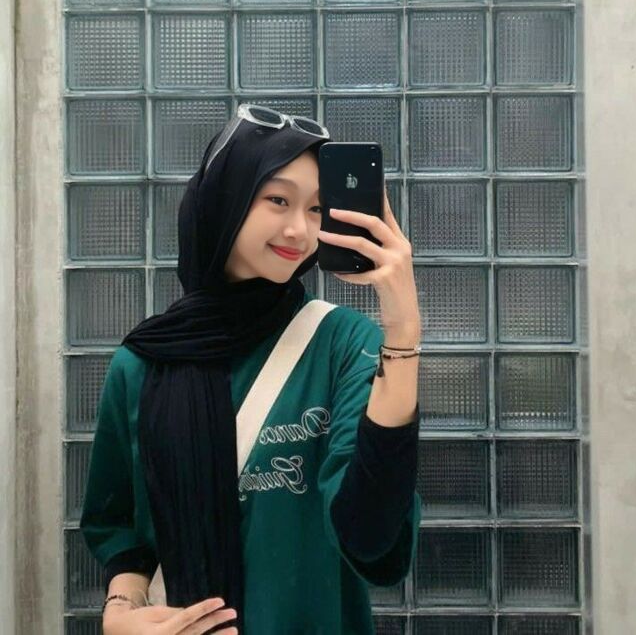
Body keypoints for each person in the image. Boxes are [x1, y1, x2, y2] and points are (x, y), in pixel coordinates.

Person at [80, 105, 422, 635]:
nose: (299, 229)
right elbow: (120, 526)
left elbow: (371, 536)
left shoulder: (343, 344)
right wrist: (119, 613)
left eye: (317, 209)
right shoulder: (144, 361)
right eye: (278, 200)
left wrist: (403, 332)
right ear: (226, 197)